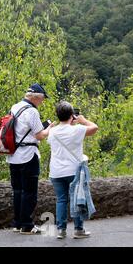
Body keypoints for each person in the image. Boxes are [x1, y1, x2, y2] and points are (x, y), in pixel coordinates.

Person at [7, 84, 54, 235]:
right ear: (36, 97)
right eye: (42, 99)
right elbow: (39, 135)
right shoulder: (32, 111)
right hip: (28, 155)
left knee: (18, 190)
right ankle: (27, 225)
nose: (42, 102)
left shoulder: (15, 107)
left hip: (13, 155)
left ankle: (17, 223)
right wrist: (49, 128)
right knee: (29, 192)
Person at [48, 102, 98, 239]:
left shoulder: (52, 132)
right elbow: (94, 128)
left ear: (57, 116)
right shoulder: (77, 129)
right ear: (72, 115)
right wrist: (82, 120)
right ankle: (78, 230)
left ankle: (61, 230)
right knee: (77, 199)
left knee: (61, 200)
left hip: (56, 172)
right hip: (73, 171)